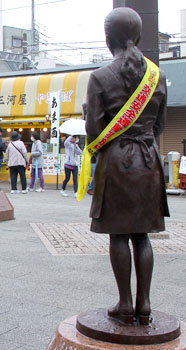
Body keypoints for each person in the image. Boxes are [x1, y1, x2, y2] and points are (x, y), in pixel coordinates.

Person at [85, 7, 168, 325]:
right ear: (137, 36)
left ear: (108, 39)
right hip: (148, 160)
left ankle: (124, 302)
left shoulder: (100, 78)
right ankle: (144, 303)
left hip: (117, 163)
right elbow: (159, 125)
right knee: (142, 236)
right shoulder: (156, 76)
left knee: (119, 236)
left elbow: (94, 132)